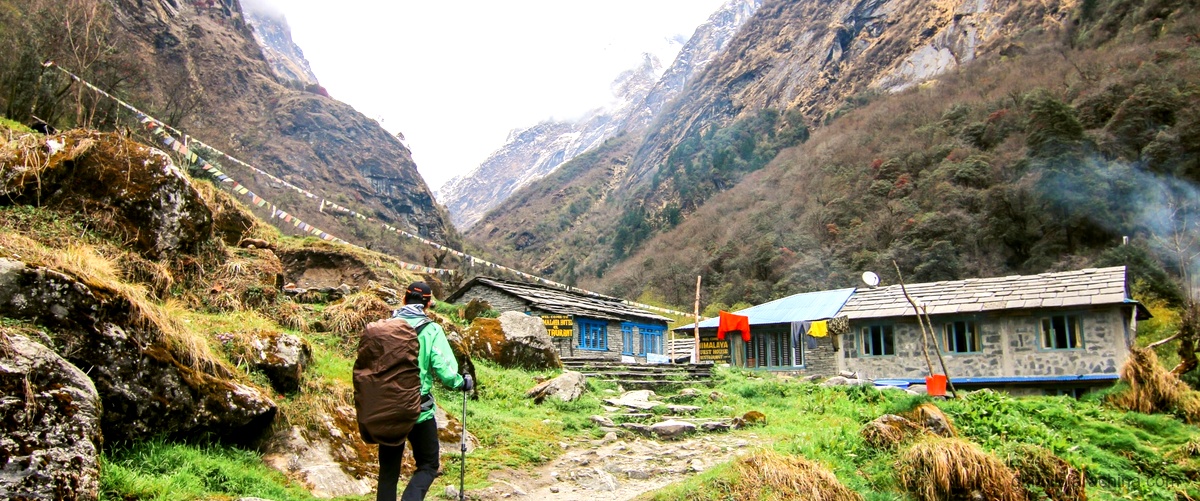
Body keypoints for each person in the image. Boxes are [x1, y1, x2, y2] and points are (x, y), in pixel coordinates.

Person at [377, 281, 474, 501]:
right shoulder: (431, 330)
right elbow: (446, 371)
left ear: (404, 298)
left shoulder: (384, 327)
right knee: (428, 464)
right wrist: (462, 382)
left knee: (388, 472)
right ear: (428, 304)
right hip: (418, 410)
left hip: (387, 408)